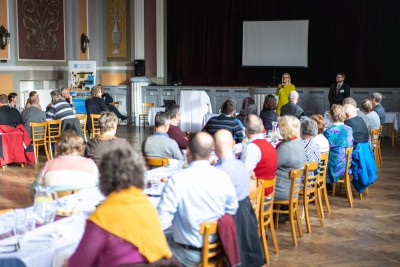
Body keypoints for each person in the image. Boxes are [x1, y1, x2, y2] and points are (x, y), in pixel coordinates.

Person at [68, 146, 177, 267]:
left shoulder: (103, 215)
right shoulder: (146, 205)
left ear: (104, 179)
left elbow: (79, 262)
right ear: (139, 175)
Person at [157, 132, 238, 266]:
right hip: (217, 246)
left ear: (188, 152)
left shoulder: (178, 180)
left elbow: (162, 221)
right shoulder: (223, 177)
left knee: (147, 245)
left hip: (186, 252)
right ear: (211, 152)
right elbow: (232, 209)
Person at [214, 129, 265, 267]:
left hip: (223, 227)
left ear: (214, 147)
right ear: (233, 144)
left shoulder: (216, 173)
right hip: (245, 220)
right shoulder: (242, 167)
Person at [33, 130, 98, 191]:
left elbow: (35, 189)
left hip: (56, 201)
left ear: (58, 146)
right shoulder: (90, 164)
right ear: (80, 146)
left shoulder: (49, 165)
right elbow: (99, 187)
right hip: (85, 202)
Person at [241, 114, 277, 196]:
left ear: (245, 130)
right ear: (262, 128)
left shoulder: (252, 148)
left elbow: (244, 176)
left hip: (257, 196)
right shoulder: (270, 145)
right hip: (268, 194)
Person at [274, 115, 306, 201]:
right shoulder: (299, 143)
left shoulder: (286, 147)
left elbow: (271, 166)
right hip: (292, 189)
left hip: (280, 190)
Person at [324, 105, 353, 184]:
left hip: (335, 166)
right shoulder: (349, 129)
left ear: (331, 116)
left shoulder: (329, 131)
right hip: (346, 164)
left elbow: (326, 149)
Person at [299, 119, 321, 189]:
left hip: (299, 183)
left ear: (301, 130)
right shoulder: (316, 145)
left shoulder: (299, 145)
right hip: (312, 181)